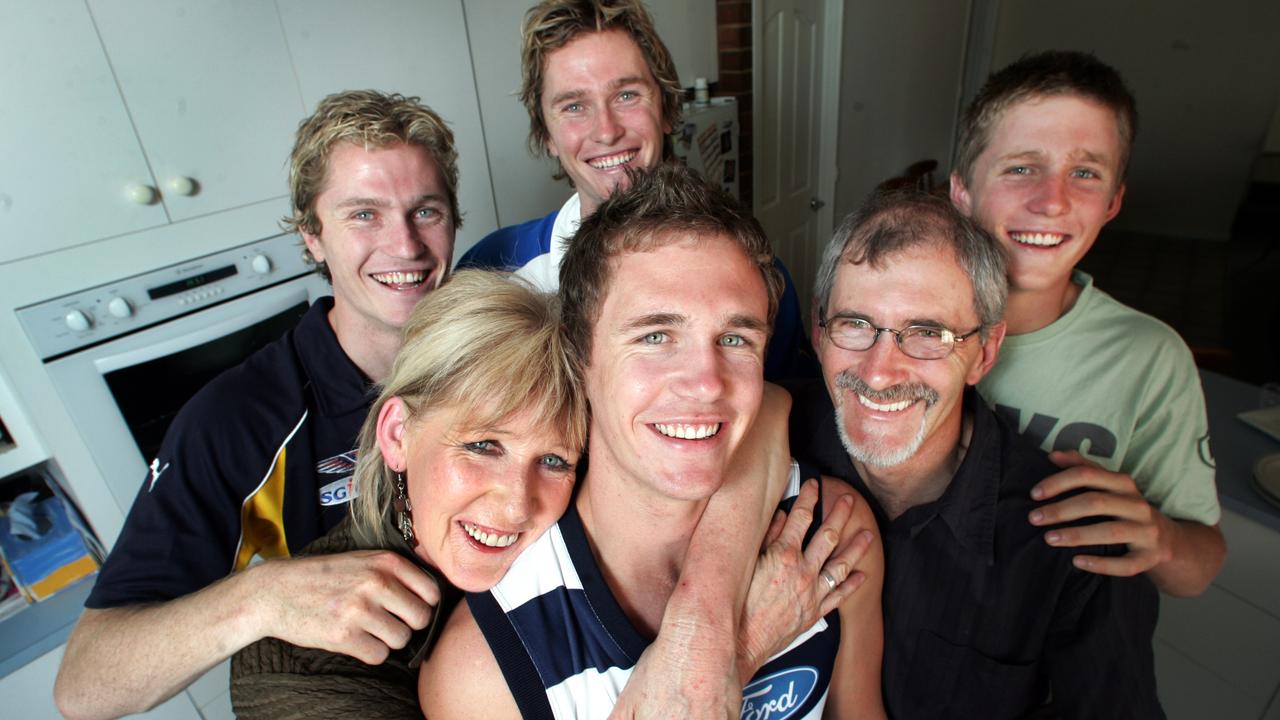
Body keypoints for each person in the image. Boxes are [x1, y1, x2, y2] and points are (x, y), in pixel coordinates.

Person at [422, 165, 886, 719]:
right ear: (579, 355)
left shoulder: (827, 531)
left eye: (735, 338)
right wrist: (736, 651)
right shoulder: (485, 670)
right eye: (656, 335)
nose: (707, 383)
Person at [55, 90, 460, 719]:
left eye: (425, 211)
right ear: (312, 236)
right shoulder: (235, 421)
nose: (404, 245)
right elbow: (85, 686)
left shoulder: (490, 354)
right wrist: (260, 598)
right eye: (363, 215)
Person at [789, 189, 1164, 718]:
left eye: (928, 333)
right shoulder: (767, 443)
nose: (878, 372)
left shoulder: (1078, 550)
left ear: (984, 352)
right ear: (818, 332)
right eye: (855, 324)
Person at [231, 270, 587, 718]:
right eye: (482, 446)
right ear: (398, 434)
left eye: (554, 460)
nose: (517, 505)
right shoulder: (298, 661)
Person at [949, 51, 1224, 597]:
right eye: (1021, 167)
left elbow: (1200, 565)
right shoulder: (900, 324)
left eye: (1084, 173)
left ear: (1113, 202)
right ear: (961, 191)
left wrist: (1162, 537)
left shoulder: (1150, 358)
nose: (1052, 201)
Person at [457, 0, 816, 380]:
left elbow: (797, 413)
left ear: (667, 109)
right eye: (575, 106)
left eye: (627, 95)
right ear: (545, 134)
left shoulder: (749, 272)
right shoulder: (494, 269)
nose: (607, 130)